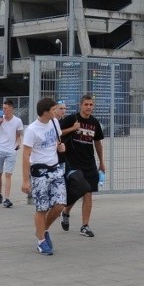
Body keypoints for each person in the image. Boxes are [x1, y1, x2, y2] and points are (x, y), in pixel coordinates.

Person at [21, 97, 67, 256]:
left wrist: (60, 147)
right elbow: (26, 155)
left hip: (55, 169)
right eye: (54, 109)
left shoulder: (54, 123)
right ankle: (41, 240)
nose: (57, 111)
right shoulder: (32, 130)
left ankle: (43, 229)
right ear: (46, 112)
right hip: (39, 171)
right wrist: (26, 181)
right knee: (42, 207)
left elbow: (55, 142)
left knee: (60, 204)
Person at [58, 93, 106, 238]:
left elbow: (97, 142)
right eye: (86, 104)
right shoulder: (72, 119)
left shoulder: (95, 123)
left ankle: (85, 226)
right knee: (79, 190)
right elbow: (57, 133)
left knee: (88, 192)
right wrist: (73, 128)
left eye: (91, 105)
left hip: (89, 162)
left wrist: (101, 161)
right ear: (80, 105)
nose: (89, 107)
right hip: (72, 161)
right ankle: (65, 212)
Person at [0, 99, 23, 207]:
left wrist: (18, 144)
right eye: (3, 108)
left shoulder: (18, 121)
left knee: (8, 174)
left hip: (11, 151)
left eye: (5, 108)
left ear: (11, 108)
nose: (3, 110)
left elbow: (18, 136)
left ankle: (7, 198)